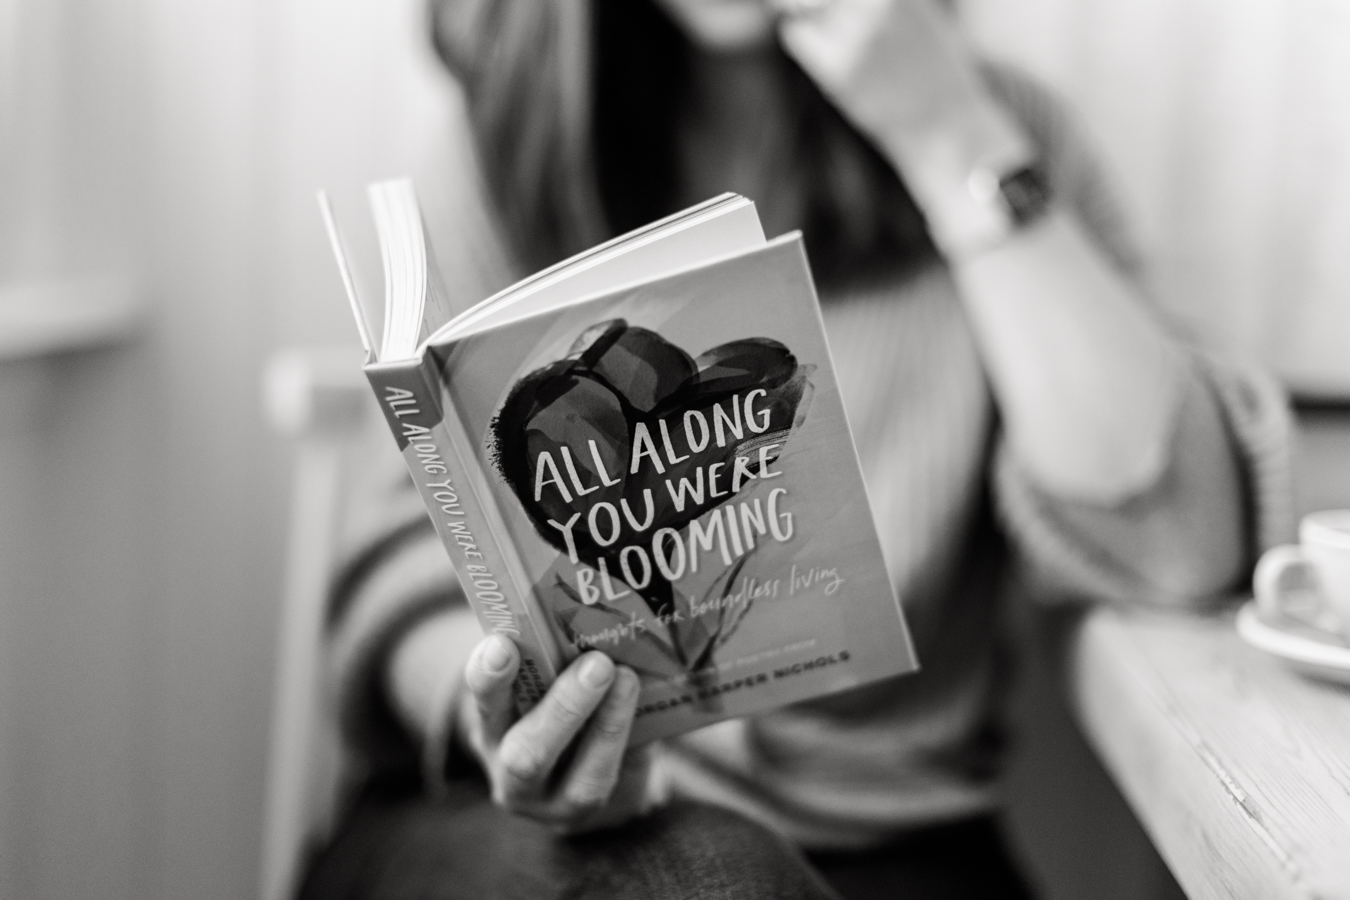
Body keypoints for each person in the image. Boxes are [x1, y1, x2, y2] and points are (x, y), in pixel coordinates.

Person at [302, 1, 1293, 898]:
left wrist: (948, 138)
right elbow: (408, 558)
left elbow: (1177, 538)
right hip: (496, 826)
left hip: (888, 842)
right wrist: (520, 730)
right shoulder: (512, 135)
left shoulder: (1007, 129)